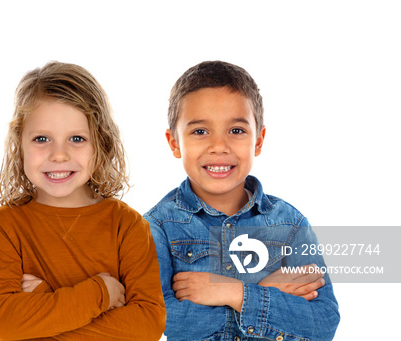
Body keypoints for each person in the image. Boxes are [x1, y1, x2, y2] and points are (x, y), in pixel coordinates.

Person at [144, 60, 340, 340]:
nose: (219, 146)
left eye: (236, 130)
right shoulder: (157, 227)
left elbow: (323, 323)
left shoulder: (290, 223)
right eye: (200, 131)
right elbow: (160, 320)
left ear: (258, 141)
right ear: (174, 142)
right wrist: (267, 293)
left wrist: (233, 292)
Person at [0, 61, 166, 340]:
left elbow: (147, 326)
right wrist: (100, 293)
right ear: (19, 144)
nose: (59, 155)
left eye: (77, 139)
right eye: (42, 138)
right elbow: (6, 323)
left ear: (101, 143)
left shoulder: (127, 225)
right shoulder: (5, 225)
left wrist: (43, 303)